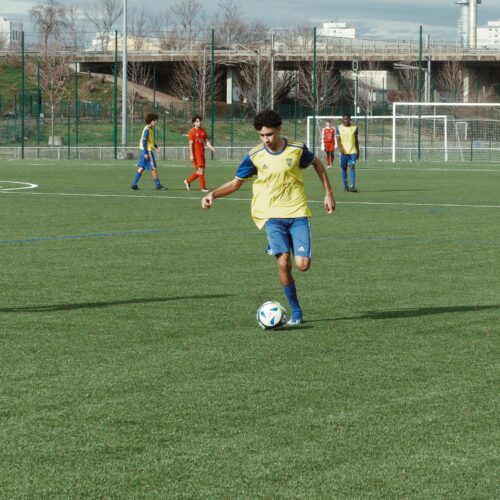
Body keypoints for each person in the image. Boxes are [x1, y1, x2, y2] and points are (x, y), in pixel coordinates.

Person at [201, 110, 335, 326]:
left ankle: (277, 244)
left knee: (303, 265)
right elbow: (236, 183)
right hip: (271, 215)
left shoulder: (297, 149)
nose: (266, 139)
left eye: (269, 134)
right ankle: (296, 310)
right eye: (262, 135)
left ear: (279, 129)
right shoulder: (255, 155)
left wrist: (328, 193)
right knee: (284, 264)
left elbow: (317, 164)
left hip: (298, 213)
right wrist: (213, 194)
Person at [131, 113, 166, 191]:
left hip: (144, 150)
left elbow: (150, 141)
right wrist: (146, 153)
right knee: (154, 168)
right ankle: (158, 185)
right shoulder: (147, 129)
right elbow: (144, 142)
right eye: (155, 120)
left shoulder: (150, 129)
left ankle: (134, 184)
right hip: (147, 151)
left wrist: (155, 146)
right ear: (151, 121)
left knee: (142, 167)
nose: (156, 122)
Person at [184, 115, 215, 193]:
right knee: (200, 170)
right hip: (196, 154)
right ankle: (203, 187)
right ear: (194, 123)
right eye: (197, 121)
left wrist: (212, 148)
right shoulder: (192, 131)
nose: (199, 122)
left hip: (202, 154)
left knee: (200, 171)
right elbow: (190, 144)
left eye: (200, 121)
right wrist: (191, 155)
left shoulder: (203, 131)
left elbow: (206, 141)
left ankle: (187, 181)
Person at [336, 113, 359, 192]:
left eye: (348, 119)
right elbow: (338, 140)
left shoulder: (355, 128)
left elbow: (356, 141)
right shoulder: (338, 128)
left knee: (352, 166)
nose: (346, 120)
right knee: (344, 168)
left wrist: (358, 151)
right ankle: (346, 186)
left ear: (350, 119)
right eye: (345, 119)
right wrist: (340, 148)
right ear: (343, 119)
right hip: (343, 153)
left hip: (353, 151)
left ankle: (352, 186)